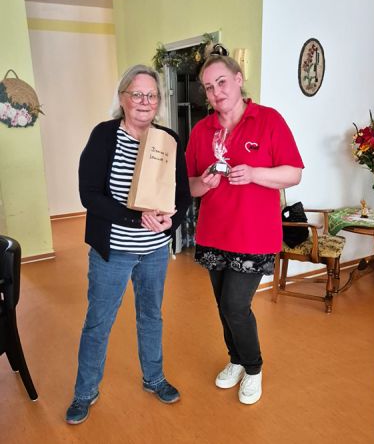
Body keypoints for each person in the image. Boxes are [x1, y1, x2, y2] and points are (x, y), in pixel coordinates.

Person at [66, 64, 191, 424]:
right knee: (98, 322)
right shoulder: (104, 136)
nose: (144, 101)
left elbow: (182, 194)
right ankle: (84, 393)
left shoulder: (168, 139)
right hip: (113, 252)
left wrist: (170, 224)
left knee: (151, 316)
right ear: (122, 98)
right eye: (137, 94)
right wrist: (137, 219)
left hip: (154, 251)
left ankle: (154, 378)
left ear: (158, 101)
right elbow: (89, 195)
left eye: (151, 95)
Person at [185, 52, 303, 405]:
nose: (216, 92)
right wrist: (204, 183)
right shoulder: (202, 131)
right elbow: (189, 186)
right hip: (213, 233)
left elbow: (293, 173)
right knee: (223, 306)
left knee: (235, 306)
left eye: (222, 82)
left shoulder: (268, 120)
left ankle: (253, 368)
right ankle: (235, 359)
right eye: (209, 87)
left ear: (238, 80)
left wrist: (254, 174)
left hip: (254, 235)